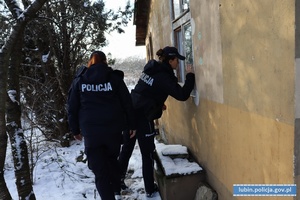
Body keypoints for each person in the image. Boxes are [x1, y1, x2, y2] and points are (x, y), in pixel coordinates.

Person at [118, 46, 195, 197]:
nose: (177, 64)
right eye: (176, 61)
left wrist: (158, 103)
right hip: (142, 117)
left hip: (131, 112)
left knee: (126, 149)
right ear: (171, 60)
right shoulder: (164, 76)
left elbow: (147, 89)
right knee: (147, 153)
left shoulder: (151, 69)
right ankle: (149, 188)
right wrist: (190, 75)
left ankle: (116, 182)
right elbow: (182, 94)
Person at [67, 51, 136, 200]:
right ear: (105, 62)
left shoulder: (80, 80)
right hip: (113, 131)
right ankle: (116, 189)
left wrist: (75, 130)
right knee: (111, 161)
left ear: (90, 62)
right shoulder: (115, 79)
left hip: (91, 133)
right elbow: (127, 103)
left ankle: (110, 195)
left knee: (100, 171)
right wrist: (131, 124)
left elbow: (72, 107)